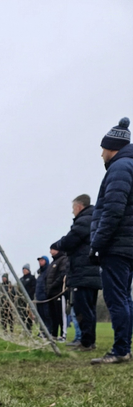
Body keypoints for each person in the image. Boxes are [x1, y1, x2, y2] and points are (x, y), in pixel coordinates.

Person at [89, 117, 133, 365]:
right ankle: (124, 348)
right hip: (126, 246)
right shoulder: (128, 166)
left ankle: (120, 350)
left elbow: (113, 211)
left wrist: (97, 244)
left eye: (103, 149)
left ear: (112, 147)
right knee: (125, 298)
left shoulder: (120, 168)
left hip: (117, 246)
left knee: (117, 299)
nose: (102, 154)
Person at [50, 194, 100, 351]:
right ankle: (89, 340)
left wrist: (57, 244)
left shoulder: (84, 221)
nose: (72, 212)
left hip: (83, 273)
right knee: (89, 309)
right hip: (90, 273)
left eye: (73, 208)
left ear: (79, 206)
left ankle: (86, 342)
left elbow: (70, 240)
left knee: (82, 309)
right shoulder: (93, 218)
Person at [46, 249, 68, 340]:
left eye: (52, 249)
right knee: (53, 315)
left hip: (59, 292)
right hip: (51, 293)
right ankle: (54, 334)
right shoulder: (52, 263)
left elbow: (62, 275)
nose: (50, 251)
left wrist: (54, 285)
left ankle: (63, 334)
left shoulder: (63, 260)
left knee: (61, 314)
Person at [35, 256, 52, 335]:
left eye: (42, 260)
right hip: (39, 298)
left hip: (45, 298)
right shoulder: (40, 273)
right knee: (41, 316)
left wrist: (46, 294)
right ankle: (41, 331)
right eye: (39, 260)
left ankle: (48, 331)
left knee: (47, 315)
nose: (40, 262)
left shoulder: (48, 271)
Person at [18, 263, 36, 331]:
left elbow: (34, 288)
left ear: (28, 270)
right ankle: (24, 328)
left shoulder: (32, 278)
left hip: (29, 299)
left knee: (29, 314)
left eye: (25, 269)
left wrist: (28, 295)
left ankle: (29, 329)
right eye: (23, 269)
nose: (24, 271)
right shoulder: (21, 279)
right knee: (23, 314)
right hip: (21, 300)